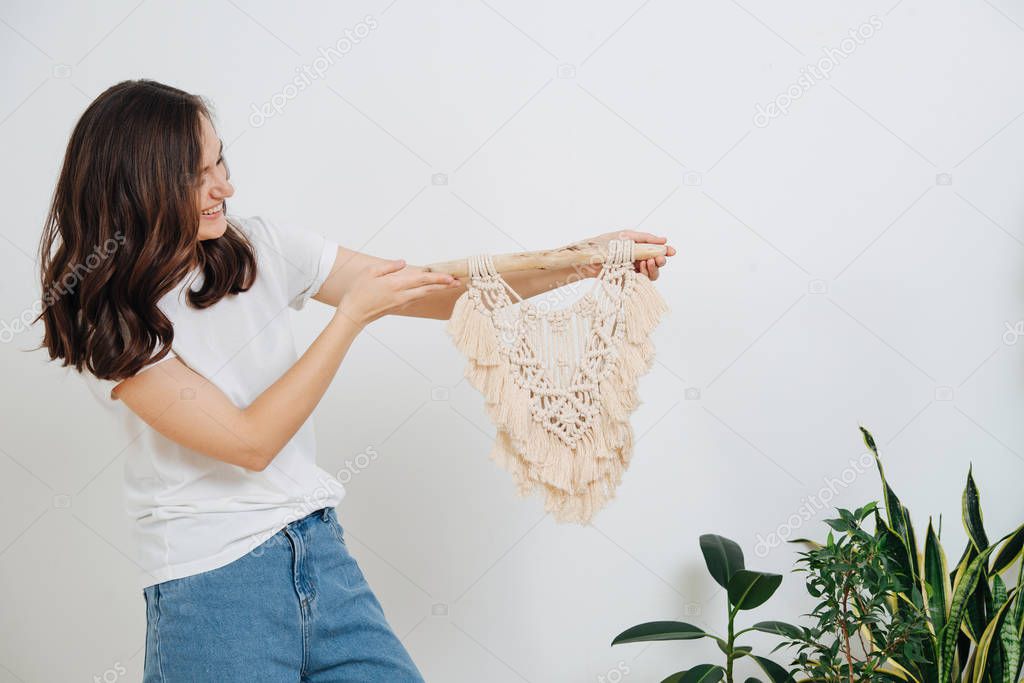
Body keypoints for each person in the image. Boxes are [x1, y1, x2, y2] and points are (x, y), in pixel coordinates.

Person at [35, 79, 675, 681]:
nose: (222, 189)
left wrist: (577, 260)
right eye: (196, 177)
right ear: (137, 187)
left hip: (319, 553)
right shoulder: (111, 325)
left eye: (220, 163)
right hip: (210, 586)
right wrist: (350, 319)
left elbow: (427, 288)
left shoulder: (257, 247)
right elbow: (249, 443)